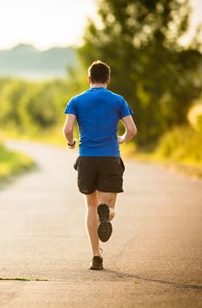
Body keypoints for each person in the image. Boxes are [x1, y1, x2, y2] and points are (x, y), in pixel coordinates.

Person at [63, 60, 137, 270]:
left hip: (86, 158)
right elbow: (132, 130)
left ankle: (96, 256)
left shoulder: (76, 100)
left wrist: (71, 143)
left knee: (90, 206)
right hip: (109, 157)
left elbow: (68, 129)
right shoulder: (118, 100)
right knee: (108, 207)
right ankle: (108, 214)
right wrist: (121, 139)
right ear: (108, 79)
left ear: (88, 79)